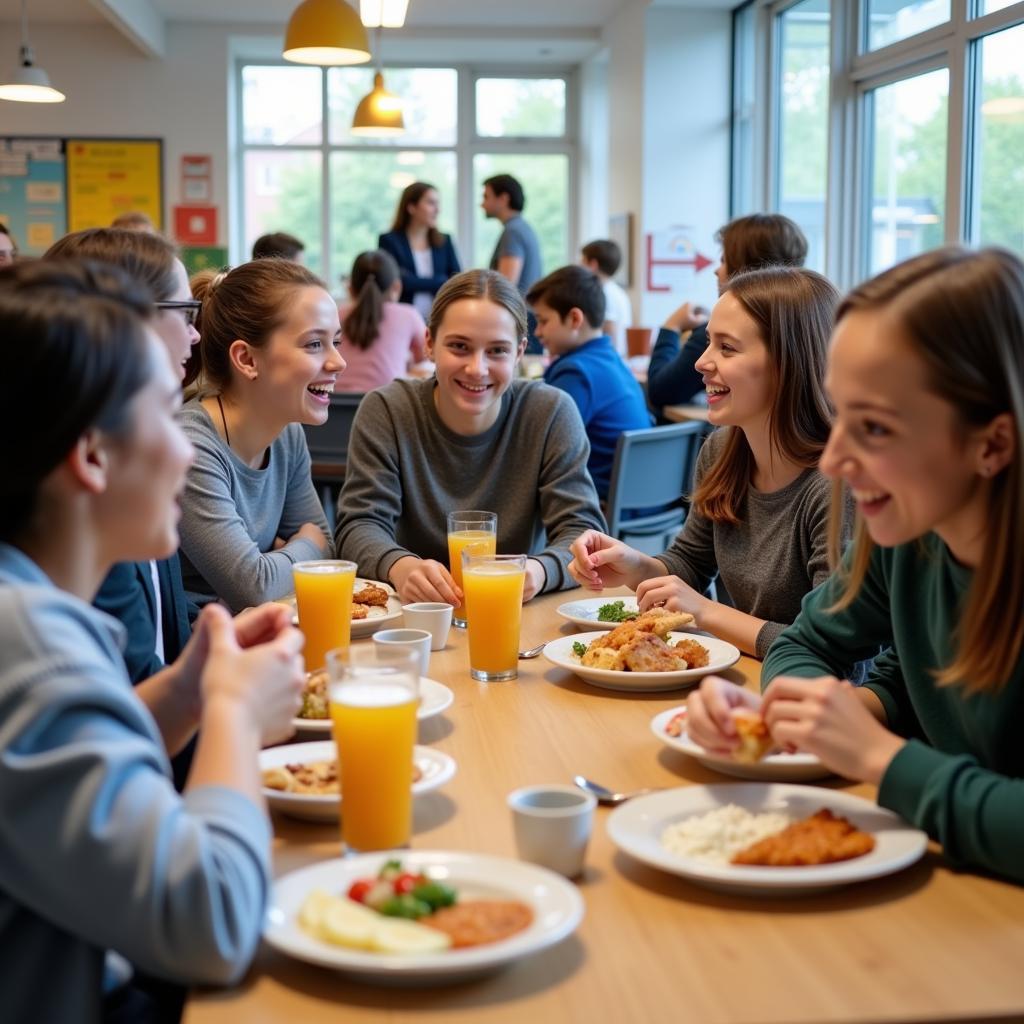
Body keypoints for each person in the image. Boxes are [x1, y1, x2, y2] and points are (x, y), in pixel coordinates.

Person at [0, 258, 305, 1021]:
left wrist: (186, 691)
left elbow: (61, 784)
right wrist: (233, 713)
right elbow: (213, 924)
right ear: (93, 455)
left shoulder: (29, 608)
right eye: (169, 414)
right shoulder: (29, 647)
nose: (186, 446)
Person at [687, 247, 1024, 885]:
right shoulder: (910, 533)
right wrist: (801, 707)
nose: (836, 461)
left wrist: (881, 758)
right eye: (840, 414)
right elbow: (814, 644)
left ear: (993, 443)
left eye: (874, 429)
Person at [569, 266, 846, 659]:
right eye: (707, 343)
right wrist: (635, 565)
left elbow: (828, 647)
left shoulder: (839, 484)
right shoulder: (723, 450)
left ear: (789, 363)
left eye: (726, 348)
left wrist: (707, 612)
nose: (701, 362)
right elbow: (691, 563)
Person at [336, 268, 606, 605]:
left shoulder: (550, 412)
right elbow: (358, 525)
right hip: (416, 618)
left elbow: (582, 531)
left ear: (520, 353)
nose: (477, 368)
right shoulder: (388, 409)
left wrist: (538, 571)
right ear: (430, 344)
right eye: (460, 347)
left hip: (517, 613)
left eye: (497, 351)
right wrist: (400, 566)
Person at [46, 227, 201, 689]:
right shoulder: (101, 512)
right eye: (186, 312)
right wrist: (235, 710)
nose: (195, 334)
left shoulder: (128, 491)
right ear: (132, 320)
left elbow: (166, 630)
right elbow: (135, 715)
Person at [178, 258, 340, 611]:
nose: (338, 362)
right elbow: (255, 586)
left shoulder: (287, 433)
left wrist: (285, 558)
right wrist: (304, 546)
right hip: (200, 650)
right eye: (314, 344)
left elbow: (326, 542)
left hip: (260, 633)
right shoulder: (191, 445)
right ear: (247, 360)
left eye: (335, 342)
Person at [646, 213, 808, 412]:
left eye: (724, 260)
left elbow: (660, 391)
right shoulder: (809, 324)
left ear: (745, 267)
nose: (716, 271)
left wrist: (670, 327)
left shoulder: (733, 331)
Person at [527, 265, 651, 500]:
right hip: (640, 498)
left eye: (543, 321)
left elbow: (541, 446)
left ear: (574, 318)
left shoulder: (576, 373)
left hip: (600, 503)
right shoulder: (610, 358)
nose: (538, 332)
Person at [338, 249, 428, 392]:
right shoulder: (408, 315)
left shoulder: (335, 316)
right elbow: (427, 358)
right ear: (396, 287)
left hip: (335, 409)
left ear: (350, 288)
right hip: (385, 406)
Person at [378, 181, 461, 320]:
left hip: (439, 319)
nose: (437, 209)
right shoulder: (389, 241)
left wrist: (413, 281)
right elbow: (397, 282)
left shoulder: (445, 241)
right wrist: (440, 280)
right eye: (431, 203)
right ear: (411, 207)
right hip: (401, 318)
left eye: (437, 203)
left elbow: (456, 280)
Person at [581, 239, 633, 357]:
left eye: (582, 260)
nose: (579, 265)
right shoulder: (616, 291)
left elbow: (610, 333)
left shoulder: (605, 293)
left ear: (593, 264)